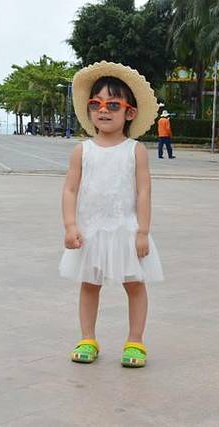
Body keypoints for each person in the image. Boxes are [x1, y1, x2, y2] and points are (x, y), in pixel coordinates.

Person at [59, 61, 163, 368]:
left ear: (129, 112)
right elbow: (70, 190)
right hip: (91, 231)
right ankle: (87, 338)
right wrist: (70, 225)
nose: (103, 111)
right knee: (89, 285)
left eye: (113, 105)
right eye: (96, 104)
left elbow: (143, 192)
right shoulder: (82, 150)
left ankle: (135, 341)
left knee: (135, 285)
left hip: (126, 230)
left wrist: (143, 231)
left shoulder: (135, 150)